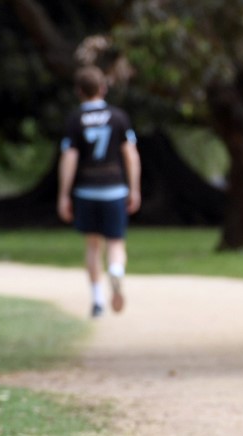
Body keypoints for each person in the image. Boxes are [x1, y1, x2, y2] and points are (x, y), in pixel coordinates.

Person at [57, 65, 141, 318]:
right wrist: (134, 188)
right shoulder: (118, 117)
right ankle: (116, 270)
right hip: (114, 188)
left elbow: (69, 158)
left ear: (79, 92)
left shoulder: (74, 120)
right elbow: (131, 155)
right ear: (103, 88)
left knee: (93, 246)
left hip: (86, 190)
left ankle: (97, 300)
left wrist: (64, 194)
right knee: (116, 242)